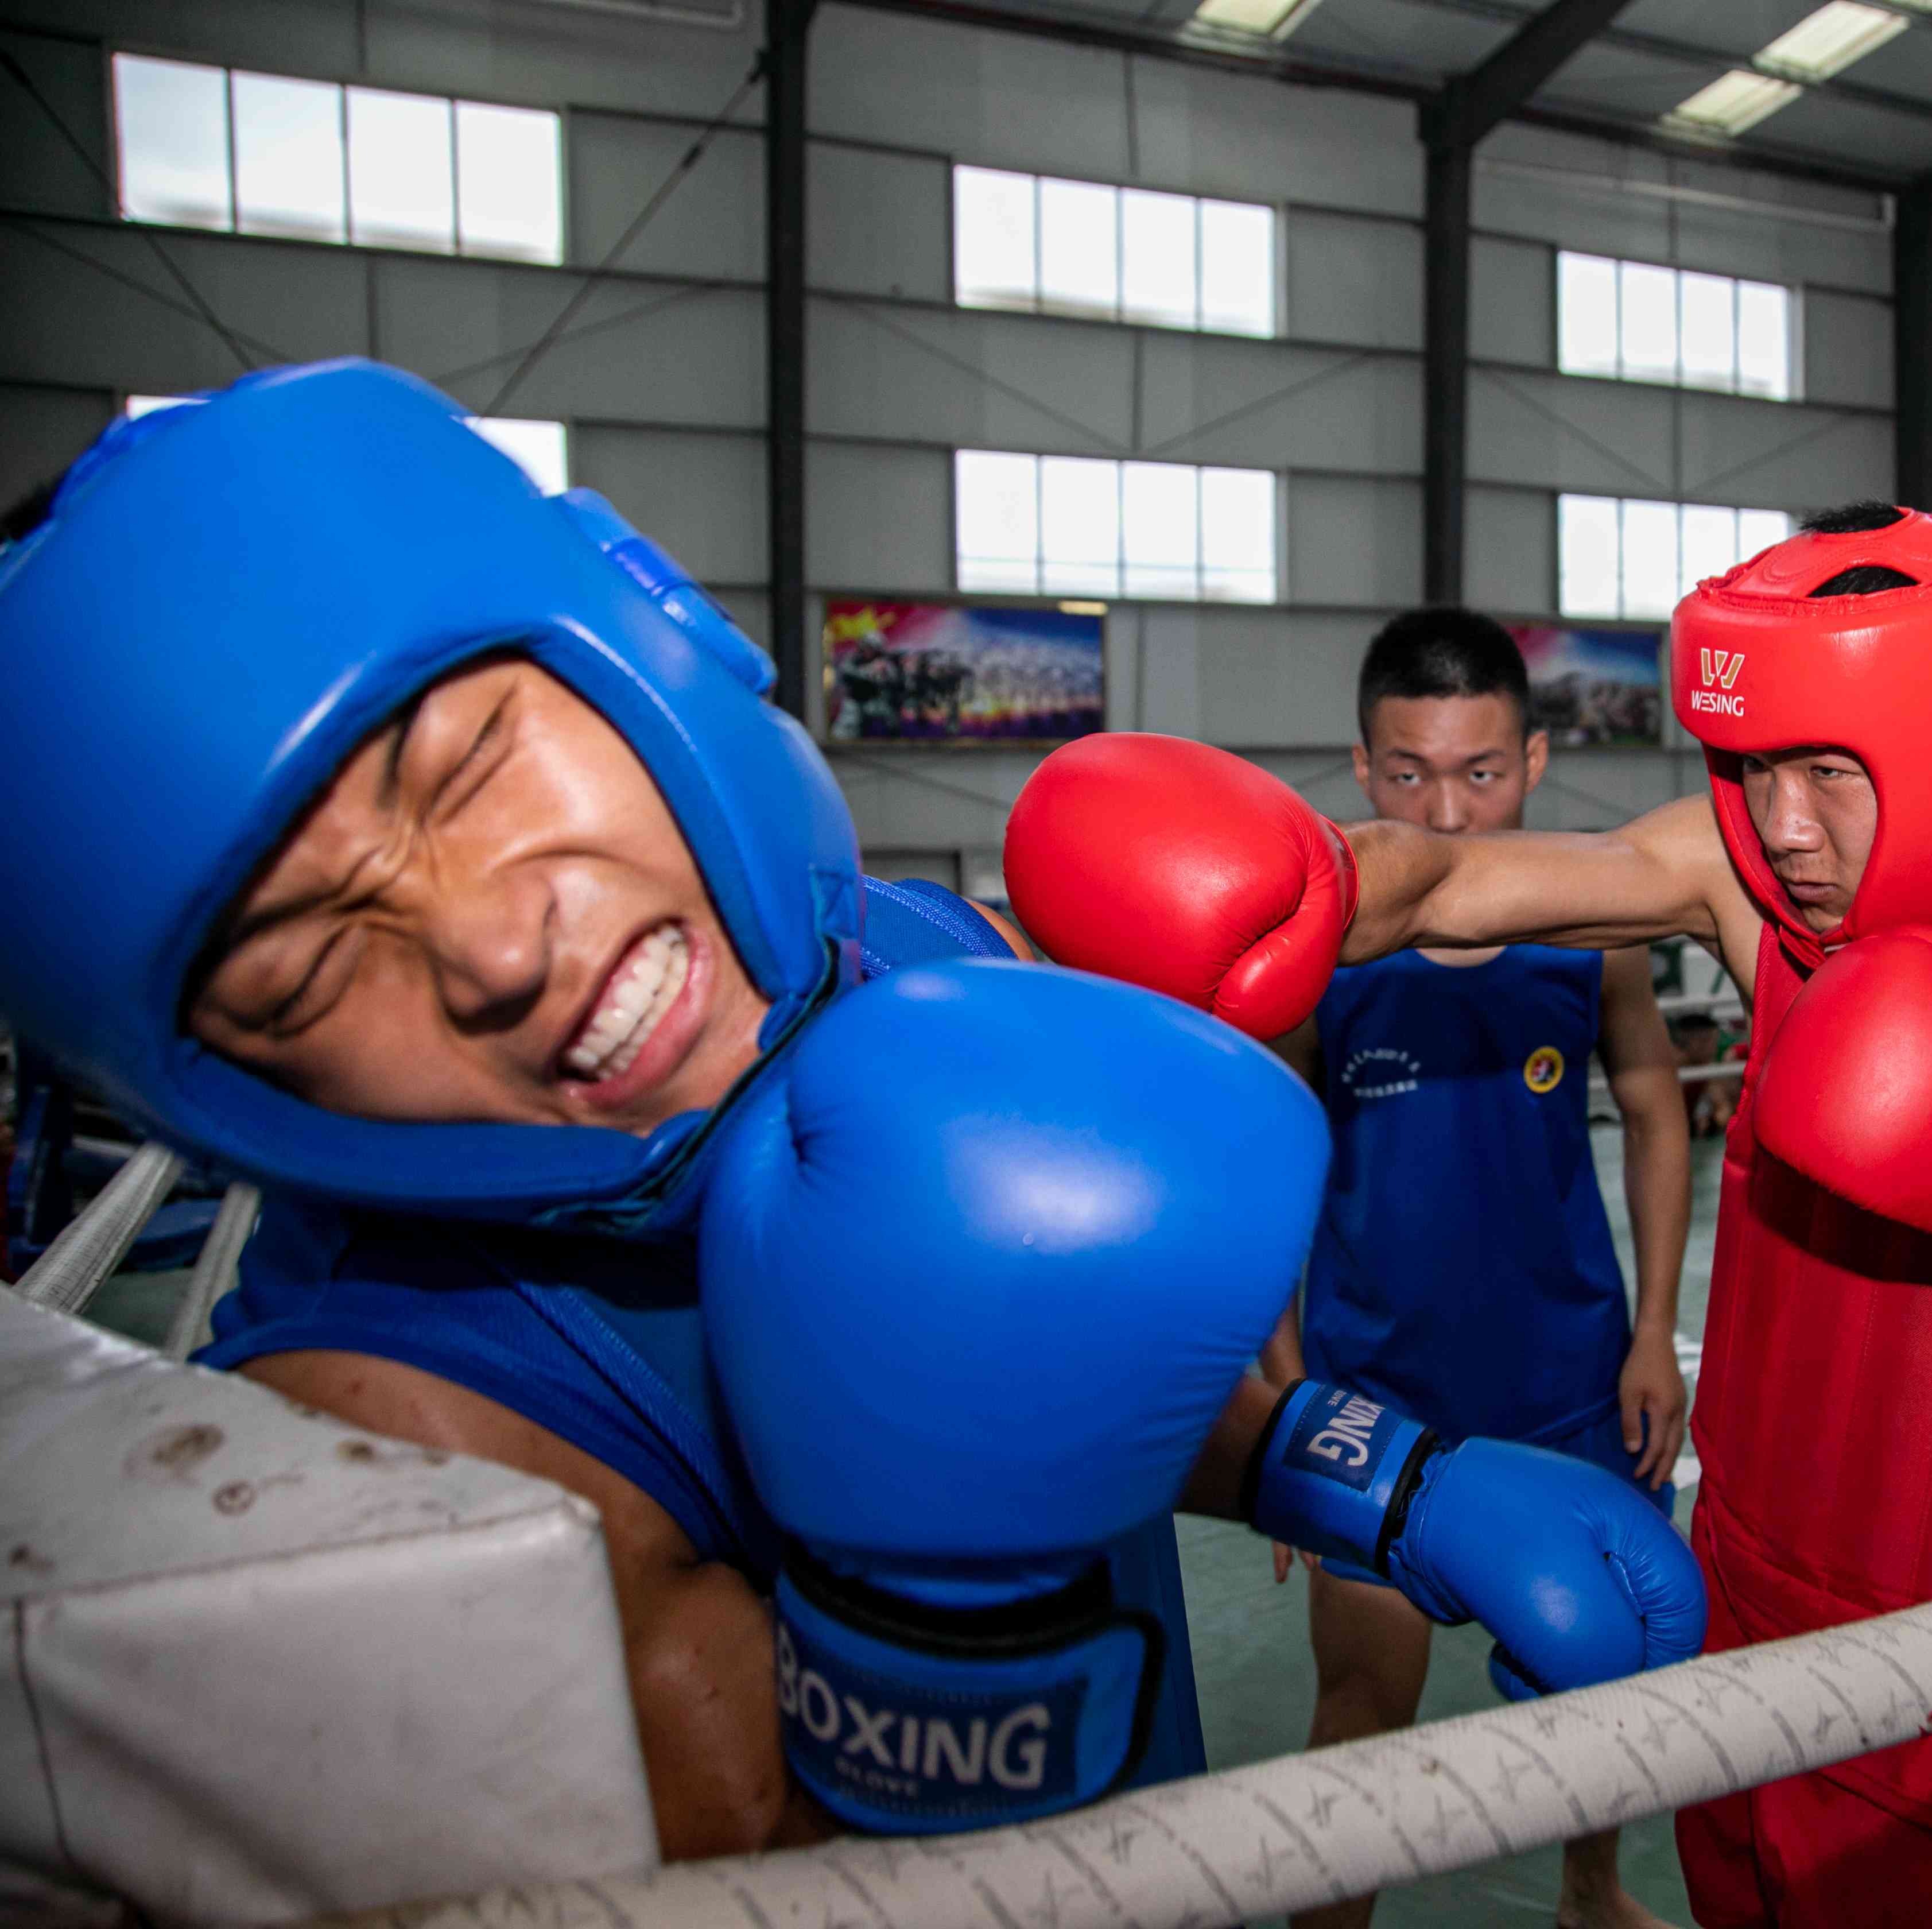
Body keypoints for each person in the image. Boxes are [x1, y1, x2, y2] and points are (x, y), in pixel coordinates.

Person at [0, 362, 1703, 1864]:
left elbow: (1054, 1355)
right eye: (302, 982)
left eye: (464, 775)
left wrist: (1374, 1481)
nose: (495, 946)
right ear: (234, 1095)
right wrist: (934, 1626)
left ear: (639, 621)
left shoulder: (897, 960)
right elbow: (744, 1849)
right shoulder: (408, 1443)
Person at [1006, 503, 1932, 1928]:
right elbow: (1448, 881)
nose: (1783, 826)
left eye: (1828, 768)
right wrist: (1298, 883)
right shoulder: (1754, 889)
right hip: (1731, 1669)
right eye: (1751, 767)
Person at [1259, 608, 1689, 1929]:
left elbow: (1657, 1104)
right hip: (1378, 1394)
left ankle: (1590, 1892)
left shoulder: (1591, 922)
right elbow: (1269, 1160)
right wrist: (1283, 1399)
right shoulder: (1321, 947)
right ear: (1362, 764)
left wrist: (1654, 1332)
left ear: (1538, 762)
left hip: (1568, 1378)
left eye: (1482, 772)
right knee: (1364, 1709)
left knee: (1599, 1677)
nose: (1445, 810)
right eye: (1409, 773)